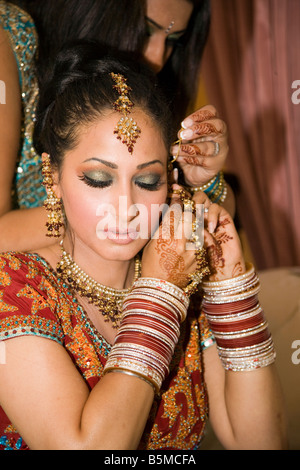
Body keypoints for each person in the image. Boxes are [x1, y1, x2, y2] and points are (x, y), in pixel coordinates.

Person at [0, 46, 287, 450]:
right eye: (99, 179)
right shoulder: (15, 286)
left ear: (169, 184)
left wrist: (229, 284)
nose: (127, 207)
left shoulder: (184, 279)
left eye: (148, 182)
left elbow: (261, 442)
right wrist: (159, 293)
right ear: (53, 177)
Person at [0, 0, 231, 253]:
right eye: (145, 31)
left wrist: (201, 182)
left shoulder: (141, 94)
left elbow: (210, 235)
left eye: (148, 180)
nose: (157, 58)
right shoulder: (10, 36)